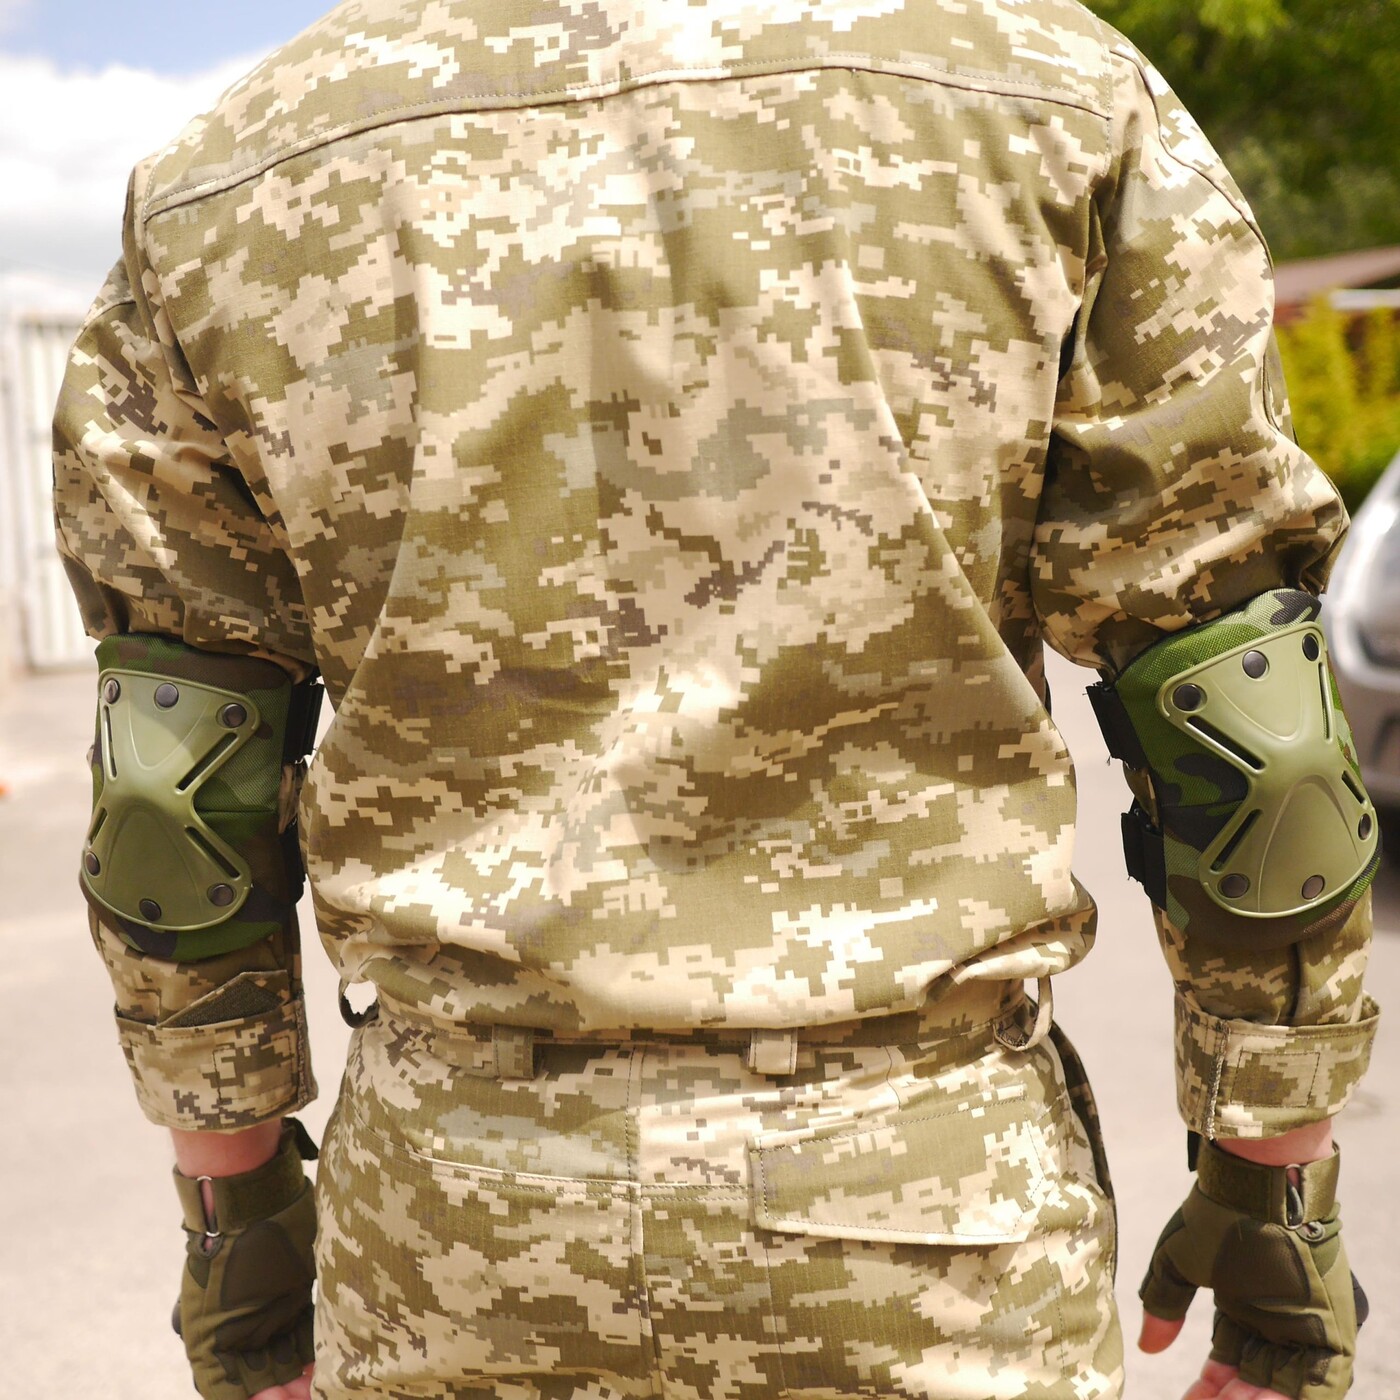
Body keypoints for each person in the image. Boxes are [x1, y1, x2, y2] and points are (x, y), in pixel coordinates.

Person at [51, 2, 1379, 1398]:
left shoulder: (230, 173)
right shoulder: (1051, 91)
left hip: (452, 1235)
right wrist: (1273, 1195)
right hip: (931, 1231)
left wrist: (237, 1227)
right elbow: (1253, 737)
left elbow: (173, 790)